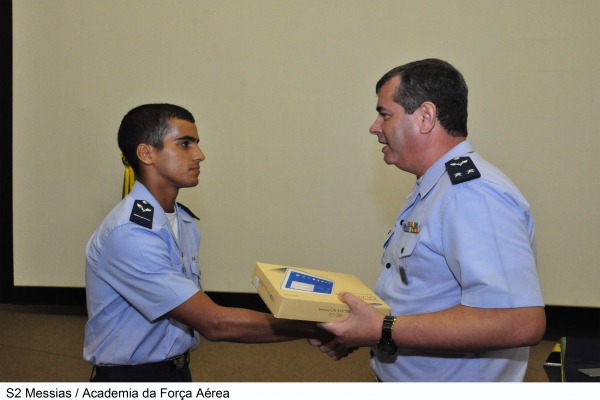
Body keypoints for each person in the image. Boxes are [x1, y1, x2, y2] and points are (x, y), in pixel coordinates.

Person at [312, 59, 546, 381]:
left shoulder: (472, 194)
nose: (374, 127)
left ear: (425, 117)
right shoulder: (438, 187)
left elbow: (518, 321)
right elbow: (424, 295)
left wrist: (381, 329)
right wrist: (364, 329)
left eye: (384, 114)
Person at [84, 103, 346, 382]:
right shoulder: (131, 233)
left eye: (196, 144)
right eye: (184, 144)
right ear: (147, 153)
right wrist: (317, 327)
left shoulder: (179, 220)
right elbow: (214, 323)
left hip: (175, 370)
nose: (200, 155)